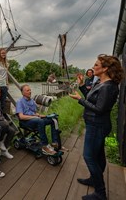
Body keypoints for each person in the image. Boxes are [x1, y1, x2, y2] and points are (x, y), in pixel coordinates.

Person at [70, 54, 124, 200]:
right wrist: (81, 86)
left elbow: (99, 109)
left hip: (97, 125)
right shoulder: (102, 83)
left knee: (89, 157)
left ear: (105, 68)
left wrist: (80, 100)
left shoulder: (108, 87)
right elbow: (91, 98)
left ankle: (100, 193)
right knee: (98, 154)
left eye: (96, 65)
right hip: (96, 124)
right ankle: (95, 179)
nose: (93, 67)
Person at [16, 84, 58, 155]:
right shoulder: (19, 101)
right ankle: (45, 146)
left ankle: (55, 142)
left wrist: (43, 115)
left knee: (53, 119)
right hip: (25, 121)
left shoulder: (32, 100)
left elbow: (35, 113)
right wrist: (35, 117)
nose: (30, 91)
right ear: (23, 93)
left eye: (30, 90)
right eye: (27, 90)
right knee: (40, 121)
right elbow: (21, 117)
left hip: (35, 119)